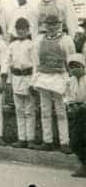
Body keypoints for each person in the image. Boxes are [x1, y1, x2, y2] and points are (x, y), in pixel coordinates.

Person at [32, 14, 76, 153]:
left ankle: (64, 142)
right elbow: (36, 61)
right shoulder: (40, 40)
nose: (51, 27)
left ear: (59, 24)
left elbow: (71, 60)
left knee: (61, 111)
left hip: (59, 78)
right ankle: (47, 141)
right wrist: (35, 78)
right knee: (45, 111)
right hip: (44, 77)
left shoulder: (66, 40)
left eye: (53, 24)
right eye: (48, 24)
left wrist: (70, 80)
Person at [8, 18, 38, 149]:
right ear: (15, 30)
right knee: (19, 110)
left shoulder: (32, 45)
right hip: (16, 78)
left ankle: (30, 138)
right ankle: (21, 138)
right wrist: (9, 82)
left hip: (28, 78)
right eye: (19, 29)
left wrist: (33, 83)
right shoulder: (12, 45)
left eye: (23, 29)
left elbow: (36, 65)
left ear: (28, 30)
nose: (21, 31)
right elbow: (8, 64)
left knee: (29, 110)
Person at [65, 54, 86, 177]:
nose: (74, 69)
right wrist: (70, 104)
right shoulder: (69, 81)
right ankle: (84, 164)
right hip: (75, 111)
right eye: (71, 67)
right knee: (75, 141)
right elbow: (66, 95)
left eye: (77, 66)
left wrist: (83, 106)